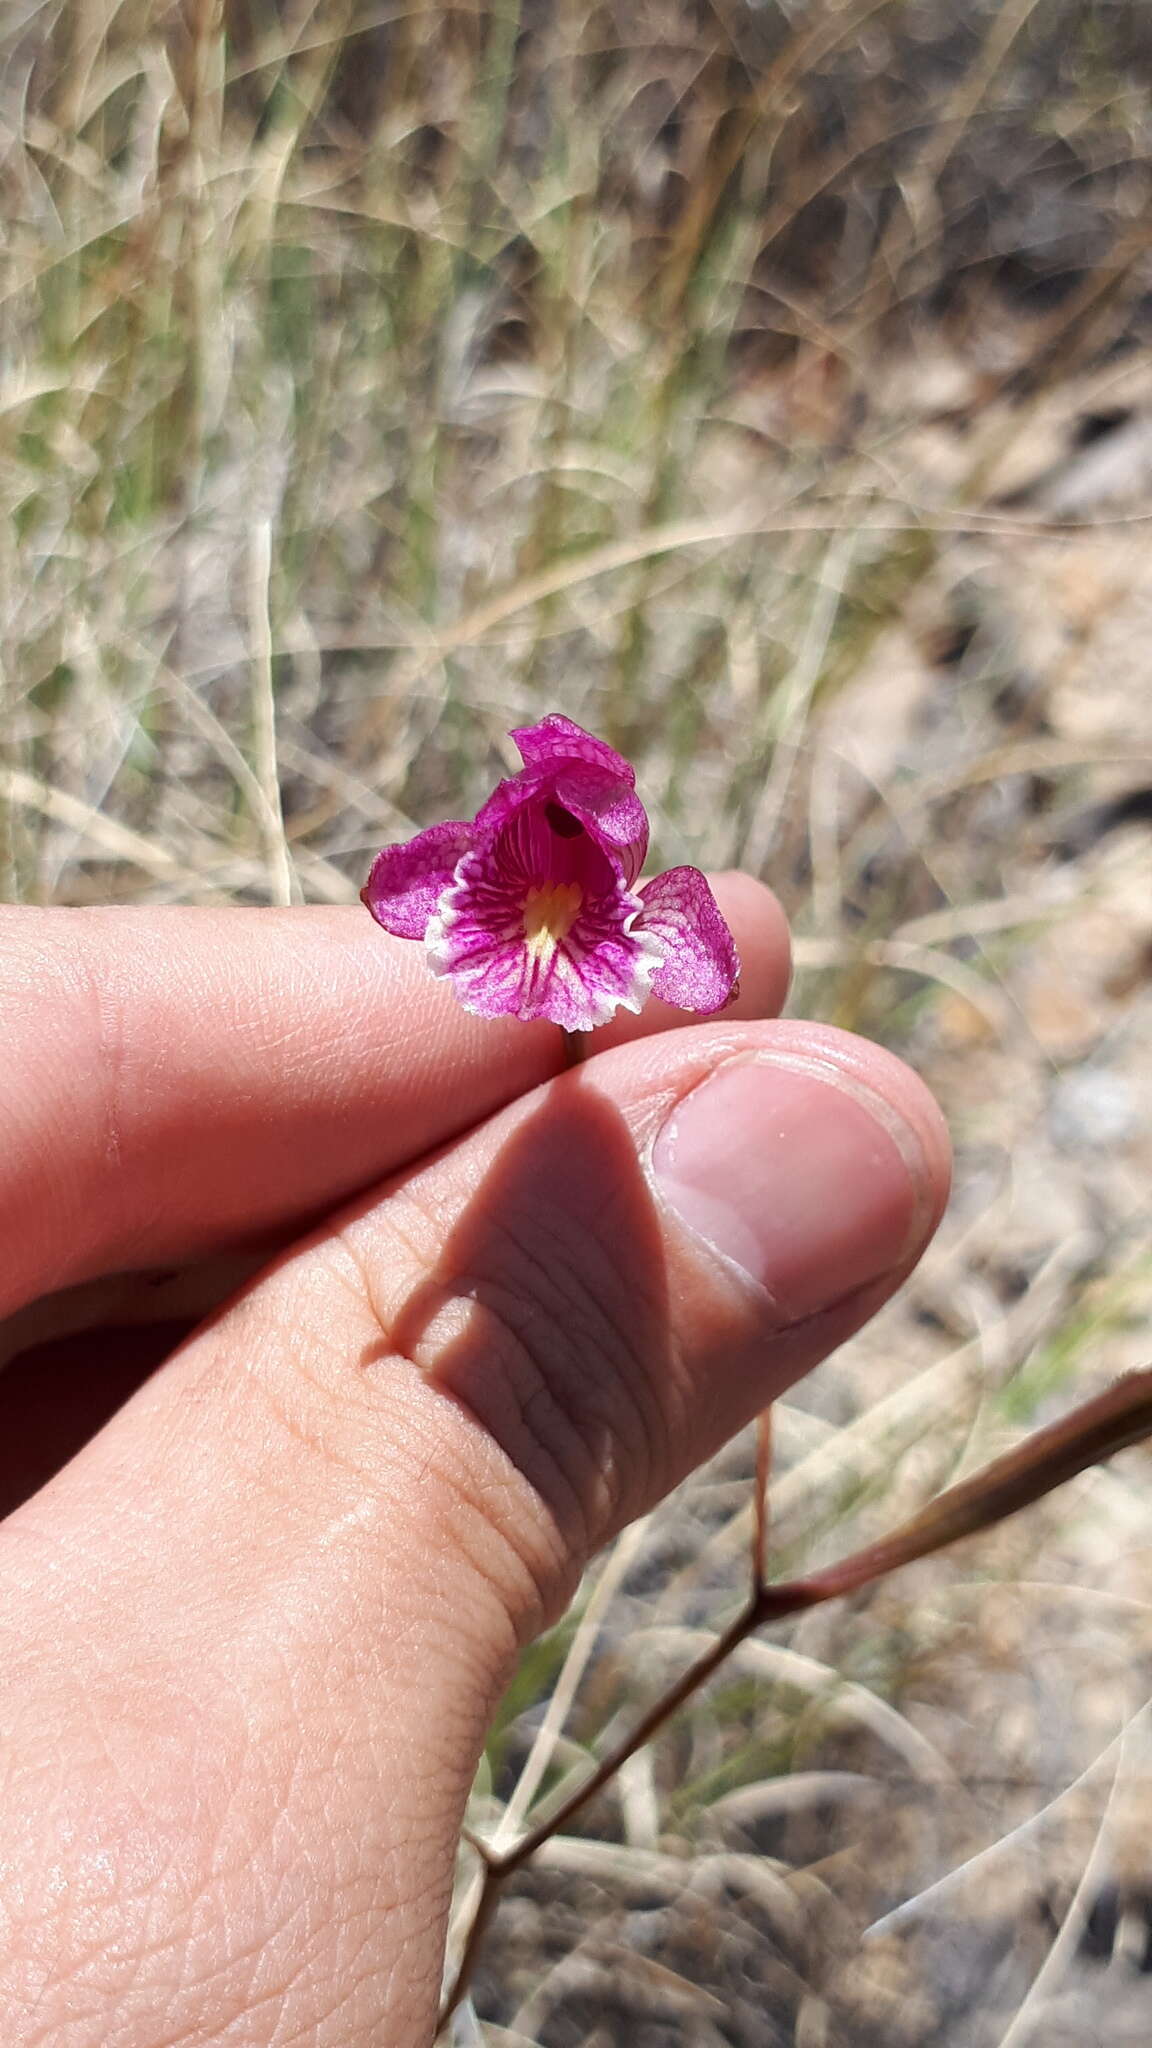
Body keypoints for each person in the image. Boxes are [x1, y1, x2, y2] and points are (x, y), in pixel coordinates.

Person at [0, 877, 951, 2044]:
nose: (551, 877)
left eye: (577, 851)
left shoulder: (648, 922)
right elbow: (418, 893)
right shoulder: (486, 893)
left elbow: (691, 964)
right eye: (527, 851)